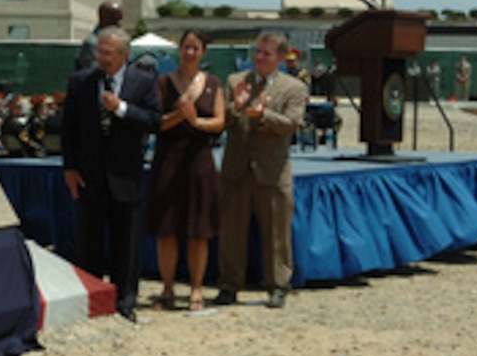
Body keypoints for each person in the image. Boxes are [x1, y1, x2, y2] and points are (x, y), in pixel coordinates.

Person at [62, 26, 162, 321]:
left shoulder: (143, 83)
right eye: (99, 52)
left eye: (108, 53)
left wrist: (122, 109)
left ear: (125, 55)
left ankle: (125, 301)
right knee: (88, 241)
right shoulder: (81, 81)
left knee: (126, 243)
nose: (101, 58)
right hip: (89, 176)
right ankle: (91, 299)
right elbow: (70, 129)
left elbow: (154, 121)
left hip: (125, 176)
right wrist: (69, 167)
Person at [214, 31, 306, 309]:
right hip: (237, 169)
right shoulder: (235, 81)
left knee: (277, 233)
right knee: (231, 232)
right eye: (257, 52)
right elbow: (222, 121)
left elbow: (293, 124)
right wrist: (237, 106)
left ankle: (278, 286)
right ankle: (229, 284)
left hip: (272, 171)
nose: (260, 58)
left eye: (267, 53)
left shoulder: (294, 88)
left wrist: (263, 116)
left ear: (280, 57)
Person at [143, 29, 225, 312]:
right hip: (168, 161)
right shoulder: (163, 83)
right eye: (186, 47)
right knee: (166, 229)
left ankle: (196, 289)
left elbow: (219, 123)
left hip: (199, 162)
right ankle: (167, 289)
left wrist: (195, 121)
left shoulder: (213, 83)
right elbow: (154, 122)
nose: (190, 52)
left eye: (196, 48)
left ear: (203, 52)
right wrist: (180, 115)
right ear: (179, 49)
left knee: (197, 230)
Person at [75, 0, 122, 70]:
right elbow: (94, 72)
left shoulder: (120, 41)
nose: (119, 24)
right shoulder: (92, 43)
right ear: (104, 18)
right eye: (115, 19)